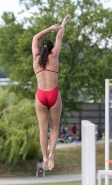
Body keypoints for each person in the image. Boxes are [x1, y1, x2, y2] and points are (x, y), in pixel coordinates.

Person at [32, 14, 70, 171]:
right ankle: (52, 154)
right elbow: (60, 37)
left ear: (41, 49)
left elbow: (35, 37)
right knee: (54, 127)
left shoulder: (36, 58)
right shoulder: (54, 56)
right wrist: (63, 23)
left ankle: (45, 156)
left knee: (43, 129)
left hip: (41, 95)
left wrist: (48, 29)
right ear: (51, 48)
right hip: (53, 95)